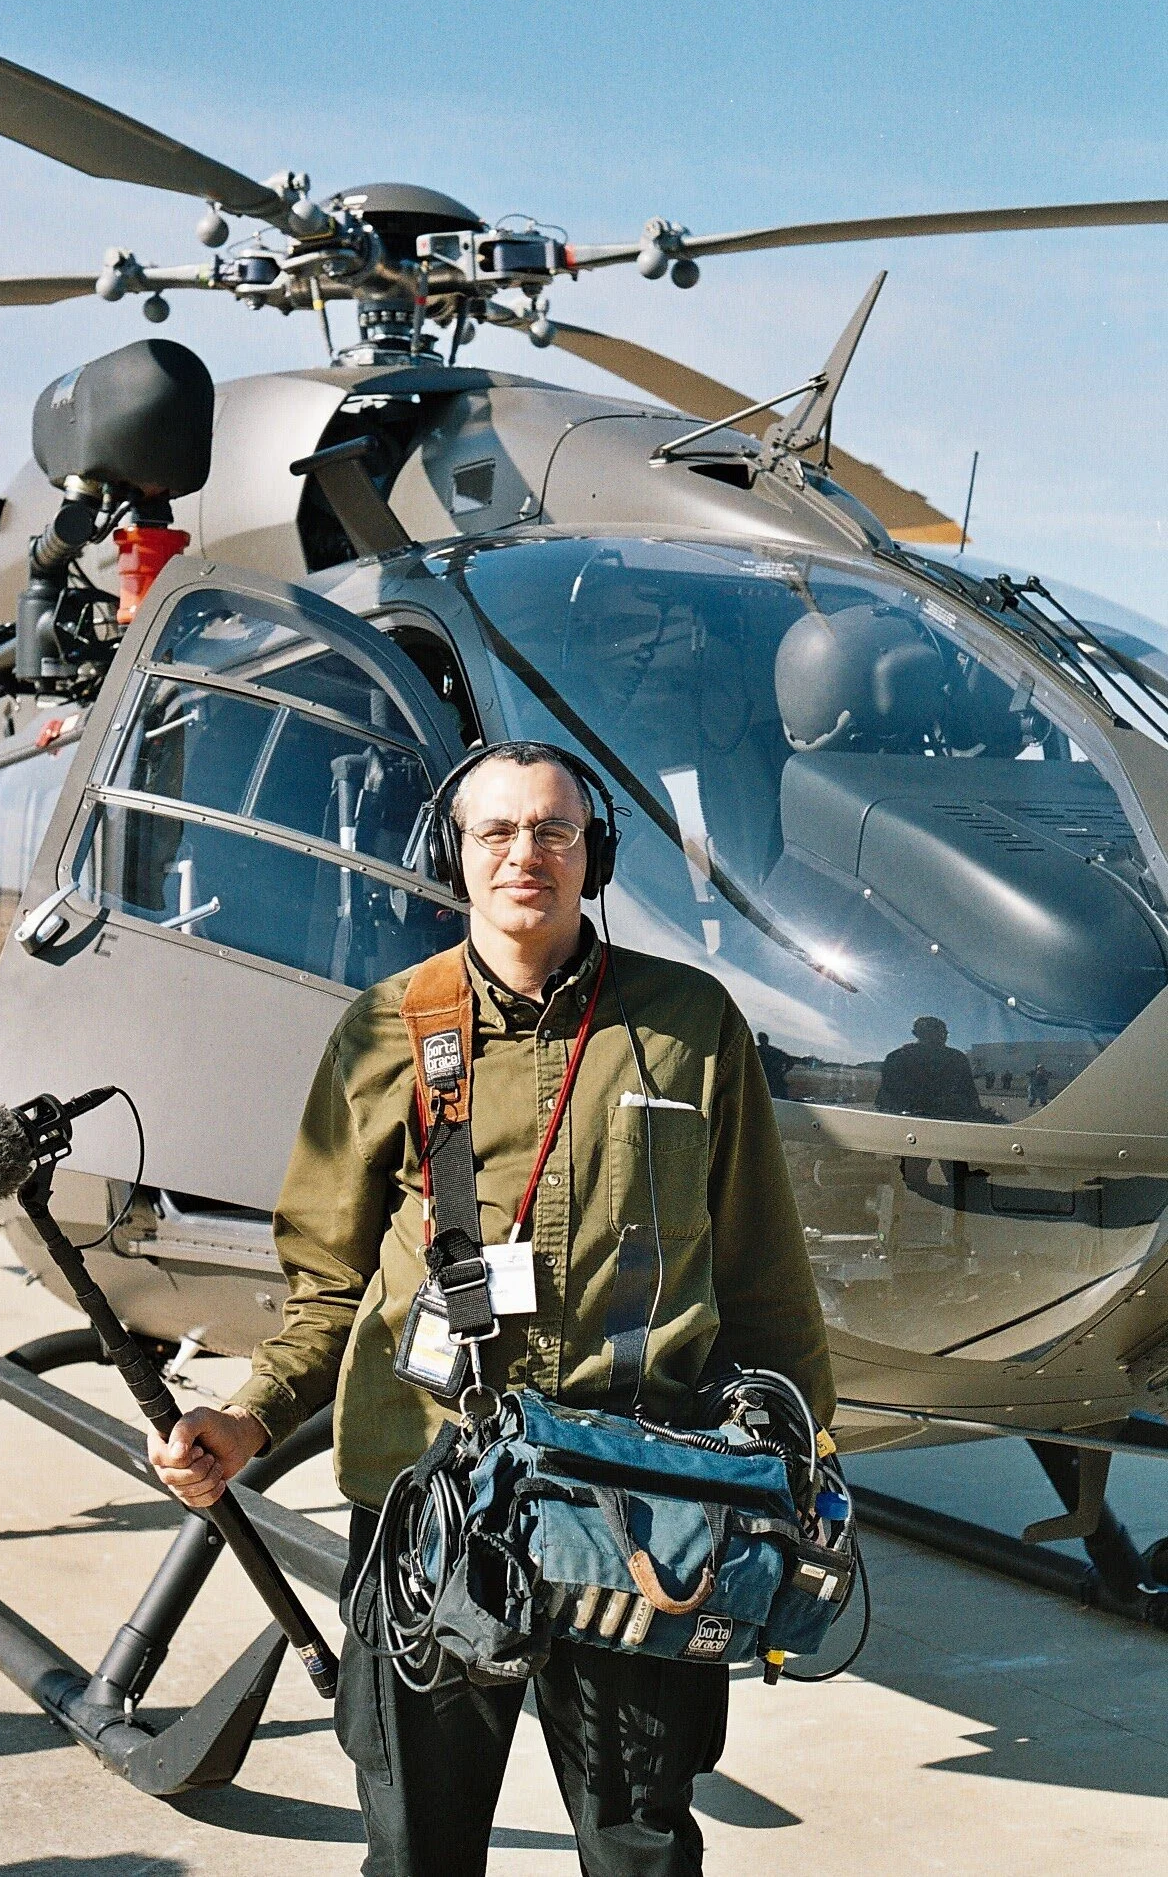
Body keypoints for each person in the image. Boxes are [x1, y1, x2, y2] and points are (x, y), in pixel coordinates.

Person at [149, 740, 835, 1877]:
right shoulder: (384, 1032)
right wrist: (250, 1417)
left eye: (556, 830)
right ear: (454, 856)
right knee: (420, 1845)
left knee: (641, 1845)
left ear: (594, 853)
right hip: (436, 1502)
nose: (529, 854)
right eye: (499, 832)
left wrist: (807, 1475)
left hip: (641, 1510)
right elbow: (327, 1286)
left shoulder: (688, 1024)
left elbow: (762, 1278)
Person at [875, 1015, 986, 1121]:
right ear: (917, 1033)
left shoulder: (896, 1056)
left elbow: (970, 1096)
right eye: (937, 1030)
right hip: (950, 1123)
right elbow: (886, 1099)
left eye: (944, 1031)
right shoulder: (956, 1058)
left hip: (950, 1122)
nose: (945, 1034)